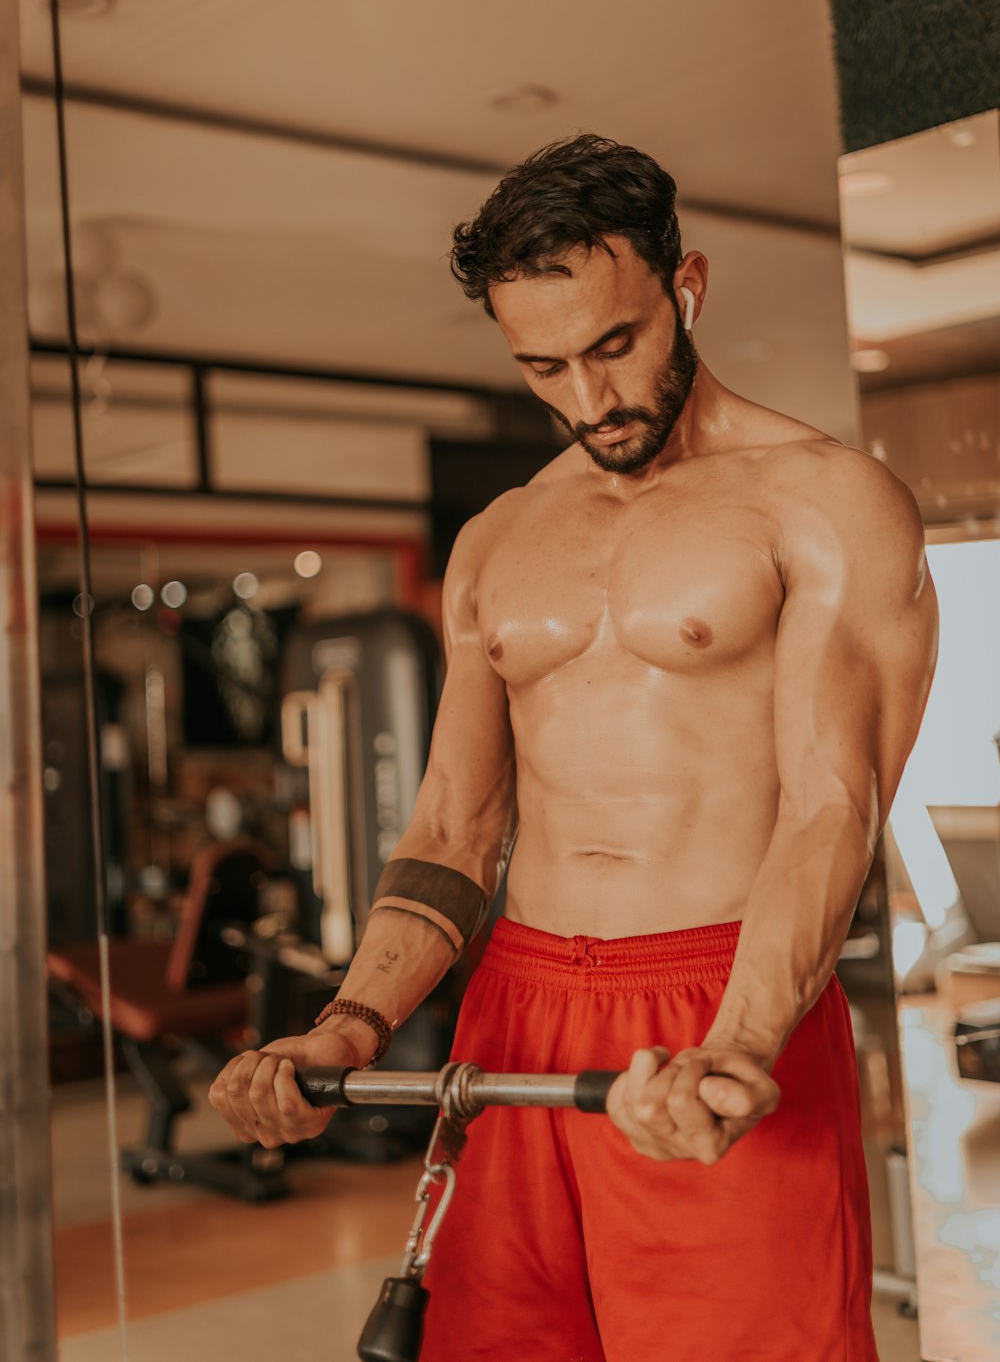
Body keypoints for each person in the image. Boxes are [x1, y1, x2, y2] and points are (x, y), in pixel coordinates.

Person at [210, 135, 938, 1360]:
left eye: (615, 345)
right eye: (542, 364)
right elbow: (452, 828)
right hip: (516, 1008)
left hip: (721, 992)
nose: (590, 399)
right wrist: (347, 1023)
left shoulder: (823, 497)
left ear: (685, 287)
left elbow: (831, 805)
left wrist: (742, 1039)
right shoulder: (498, 537)